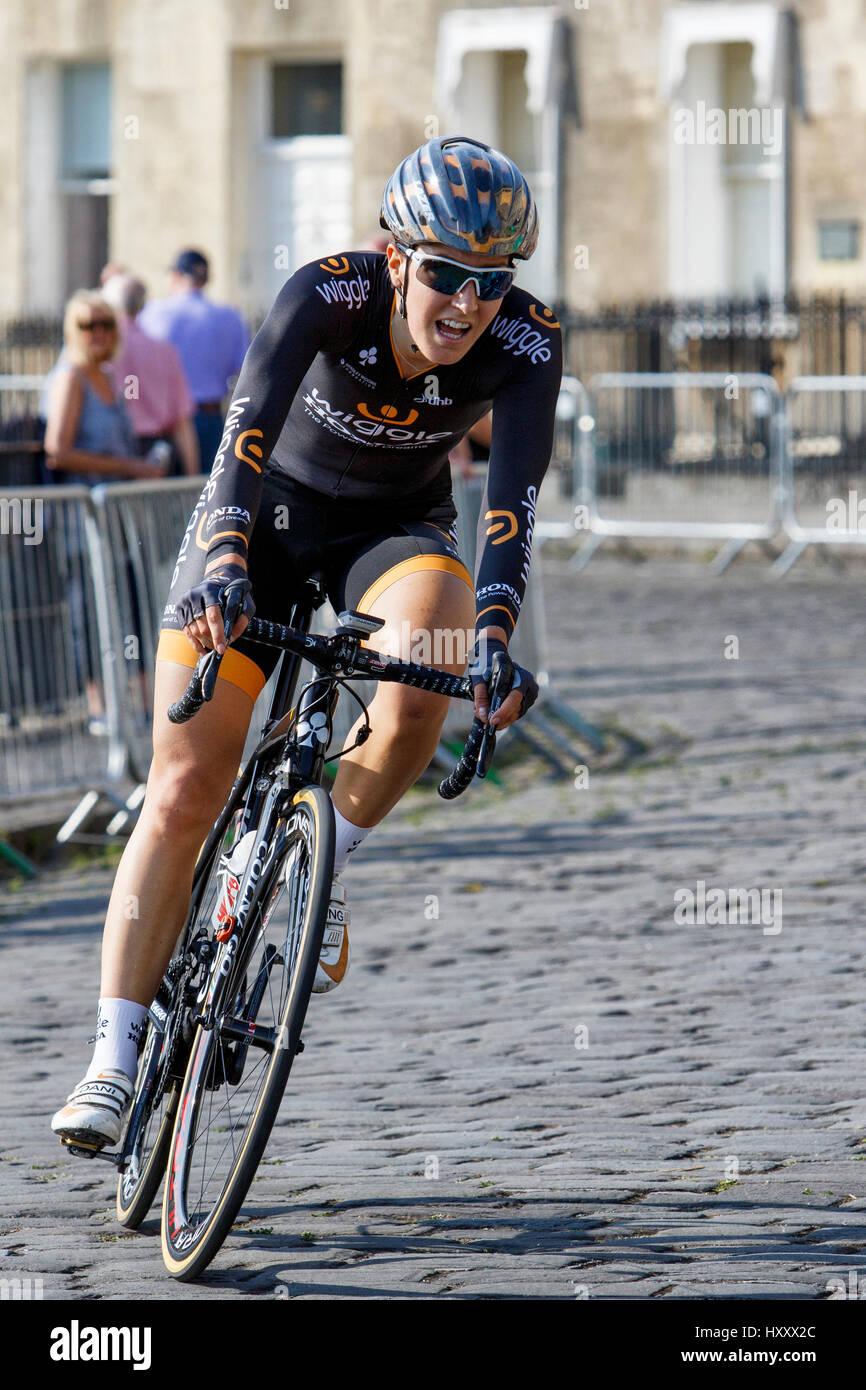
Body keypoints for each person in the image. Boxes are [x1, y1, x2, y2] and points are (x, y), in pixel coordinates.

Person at [52, 135, 562, 1147]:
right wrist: (229, 563)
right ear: (395, 256)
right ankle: (112, 1056)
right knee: (187, 784)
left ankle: (310, 864)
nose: (466, 304)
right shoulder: (326, 295)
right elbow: (242, 431)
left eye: (491, 282)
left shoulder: (528, 344)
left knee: (430, 674)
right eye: (447, 275)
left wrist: (494, 641)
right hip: (262, 515)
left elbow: (510, 504)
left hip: (392, 530)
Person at [43, 291, 168, 728]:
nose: (98, 333)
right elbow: (57, 450)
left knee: (131, 602)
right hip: (83, 519)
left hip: (117, 516)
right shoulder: (70, 378)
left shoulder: (109, 375)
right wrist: (128, 467)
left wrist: (142, 464)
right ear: (73, 332)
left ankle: (142, 701)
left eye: (105, 324)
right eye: (88, 325)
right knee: (88, 608)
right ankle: (98, 708)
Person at [138, 250, 249, 472]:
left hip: (168, 421)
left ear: (176, 274)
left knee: (169, 500)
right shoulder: (230, 317)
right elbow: (245, 372)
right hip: (211, 418)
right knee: (208, 497)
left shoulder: (155, 312)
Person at [101, 273, 200, 476]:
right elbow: (182, 421)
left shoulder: (102, 352)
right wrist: (193, 478)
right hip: (158, 450)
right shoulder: (164, 351)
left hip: (116, 453)